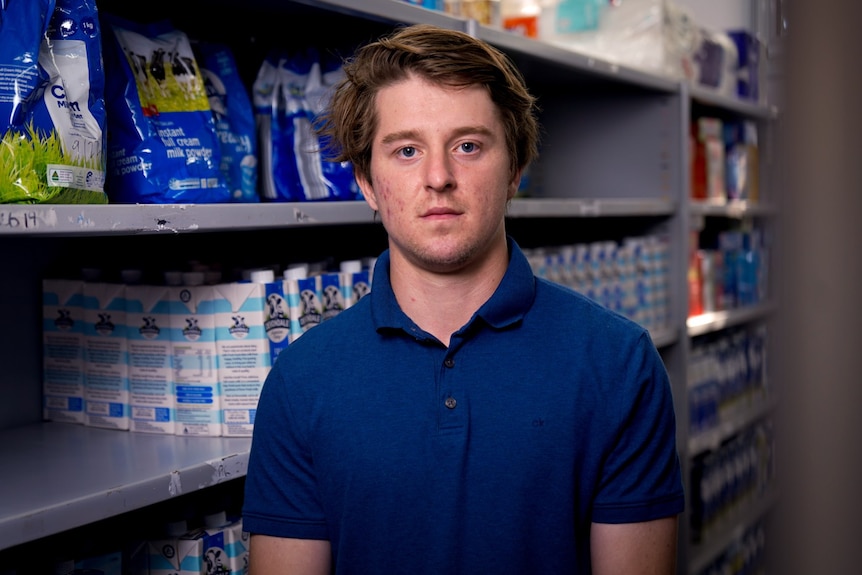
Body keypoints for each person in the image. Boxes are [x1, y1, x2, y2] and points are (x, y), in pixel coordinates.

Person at [242, 23, 685, 574]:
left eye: (468, 146)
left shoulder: (618, 362)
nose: (438, 177)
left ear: (516, 167)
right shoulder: (301, 379)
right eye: (406, 150)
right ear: (366, 182)